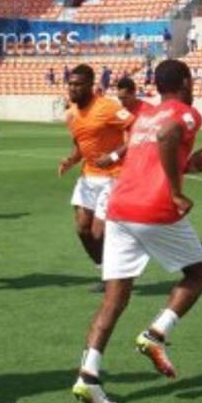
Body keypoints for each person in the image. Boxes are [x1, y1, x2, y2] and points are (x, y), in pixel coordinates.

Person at [70, 59, 202, 403]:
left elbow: (147, 151)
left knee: (114, 299)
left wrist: (186, 163)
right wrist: (177, 190)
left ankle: (87, 377)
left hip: (120, 207)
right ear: (184, 81)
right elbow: (168, 137)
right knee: (197, 274)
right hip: (154, 207)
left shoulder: (146, 115)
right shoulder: (186, 113)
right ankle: (156, 334)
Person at [59, 69, 141, 280]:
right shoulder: (72, 113)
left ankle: (116, 274)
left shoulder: (108, 107)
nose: (72, 88)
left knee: (98, 232)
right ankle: (104, 268)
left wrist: (114, 156)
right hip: (88, 176)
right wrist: (71, 160)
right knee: (83, 230)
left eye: (78, 84)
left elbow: (138, 130)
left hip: (113, 176)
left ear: (90, 85)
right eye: (70, 84)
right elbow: (81, 145)